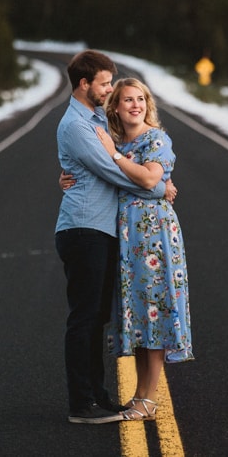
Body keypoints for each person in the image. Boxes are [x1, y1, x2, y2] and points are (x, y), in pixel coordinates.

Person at [54, 50, 175, 426]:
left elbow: (110, 160)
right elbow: (113, 172)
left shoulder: (94, 120)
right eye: (105, 83)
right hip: (84, 228)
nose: (109, 89)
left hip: (100, 229)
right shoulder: (77, 126)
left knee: (96, 318)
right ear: (83, 84)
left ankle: (98, 395)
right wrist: (159, 186)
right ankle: (82, 403)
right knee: (85, 318)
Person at [97, 76, 193, 422]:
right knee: (139, 317)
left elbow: (151, 179)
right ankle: (140, 396)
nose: (135, 105)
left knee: (155, 313)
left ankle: (149, 400)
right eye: (127, 100)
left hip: (154, 236)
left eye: (140, 99)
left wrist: (116, 159)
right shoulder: (118, 143)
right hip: (127, 238)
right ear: (117, 108)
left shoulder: (156, 139)